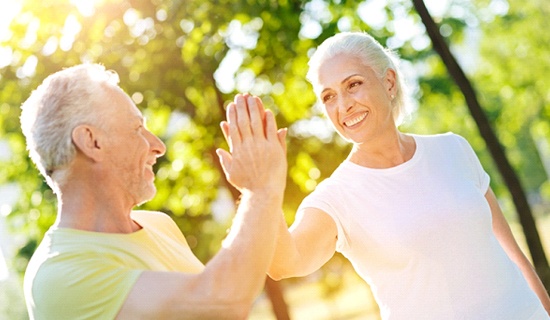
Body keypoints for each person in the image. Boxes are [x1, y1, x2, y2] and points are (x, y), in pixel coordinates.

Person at [258, 32, 550, 319]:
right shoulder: (336, 197)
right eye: (329, 96)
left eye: (353, 84)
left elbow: (511, 251)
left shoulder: (452, 147)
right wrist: (260, 190)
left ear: (388, 82)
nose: (343, 105)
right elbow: (284, 263)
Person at [20, 63, 287, 319]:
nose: (158, 145)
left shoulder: (159, 225)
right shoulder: (59, 274)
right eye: (138, 128)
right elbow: (223, 302)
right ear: (91, 142)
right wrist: (261, 189)